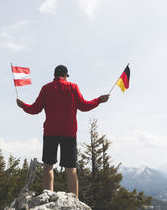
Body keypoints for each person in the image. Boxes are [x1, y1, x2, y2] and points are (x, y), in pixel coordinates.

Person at [16, 65, 109, 197]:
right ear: (65, 75)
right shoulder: (73, 87)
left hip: (50, 132)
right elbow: (84, 105)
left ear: (54, 75)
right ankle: (74, 200)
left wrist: (23, 105)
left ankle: (48, 196)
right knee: (71, 168)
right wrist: (99, 100)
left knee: (48, 166)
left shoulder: (46, 88)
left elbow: (35, 109)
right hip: (69, 133)